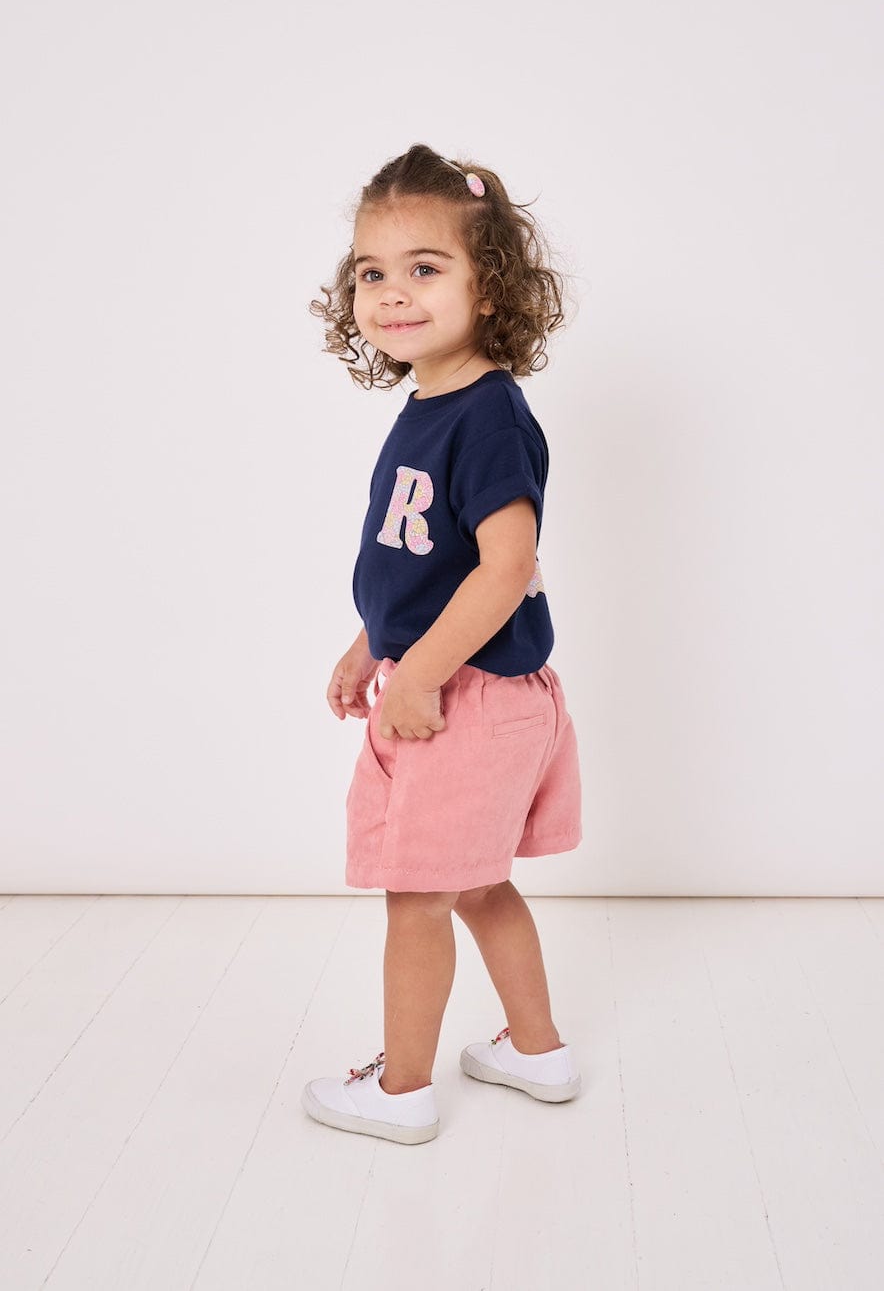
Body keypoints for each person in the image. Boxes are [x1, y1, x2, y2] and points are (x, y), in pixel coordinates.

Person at [301, 143, 583, 1145]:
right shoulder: (426, 406)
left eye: (427, 268)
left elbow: (505, 566)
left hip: (470, 696)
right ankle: (537, 1050)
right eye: (374, 273)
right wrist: (370, 642)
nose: (393, 293)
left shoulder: (490, 417)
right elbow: (421, 560)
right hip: (439, 682)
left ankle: (402, 1089)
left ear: (491, 286)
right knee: (475, 881)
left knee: (416, 896)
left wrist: (416, 673)